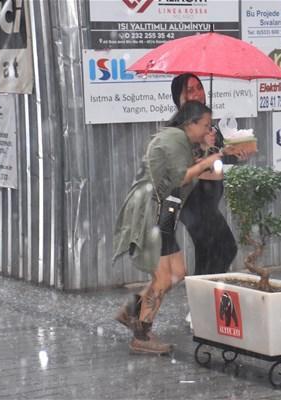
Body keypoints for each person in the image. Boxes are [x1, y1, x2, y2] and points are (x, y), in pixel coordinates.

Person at [113, 101, 221, 355]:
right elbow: (179, 178)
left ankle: (131, 310)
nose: (208, 130)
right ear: (190, 123)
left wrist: (208, 153)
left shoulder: (183, 143)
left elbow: (206, 175)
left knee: (178, 273)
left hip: (164, 214)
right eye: (205, 125)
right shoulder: (174, 139)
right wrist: (209, 160)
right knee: (163, 278)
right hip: (151, 212)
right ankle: (142, 334)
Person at [170, 73, 245, 278]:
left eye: (199, 87)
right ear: (180, 99)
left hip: (209, 201)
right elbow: (186, 169)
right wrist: (205, 148)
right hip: (194, 201)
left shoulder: (208, 125)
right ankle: (207, 299)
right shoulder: (179, 129)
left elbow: (218, 163)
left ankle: (201, 304)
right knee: (225, 249)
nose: (197, 94)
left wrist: (235, 153)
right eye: (190, 90)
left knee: (208, 255)